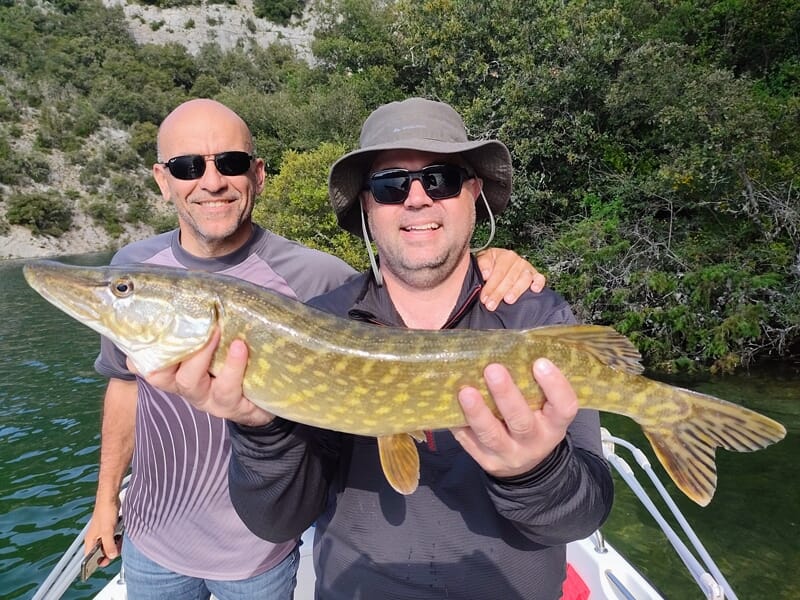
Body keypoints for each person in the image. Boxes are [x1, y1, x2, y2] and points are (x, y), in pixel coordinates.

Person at [84, 97, 546, 600]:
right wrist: (106, 500)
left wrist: (487, 261)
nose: (211, 181)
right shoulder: (133, 268)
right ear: (163, 178)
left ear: (257, 175)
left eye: (231, 164)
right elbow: (124, 387)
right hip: (153, 535)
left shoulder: (317, 279)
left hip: (257, 551)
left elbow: (400, 302)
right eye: (187, 166)